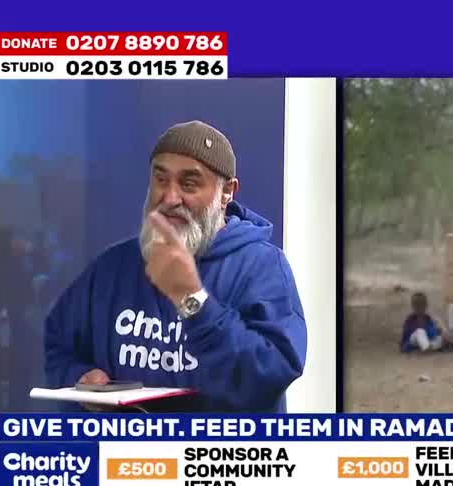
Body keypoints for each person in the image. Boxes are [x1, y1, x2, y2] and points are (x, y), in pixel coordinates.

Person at [44, 120, 307, 412]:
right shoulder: (112, 267)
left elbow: (270, 376)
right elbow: (57, 344)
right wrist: (77, 378)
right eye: (160, 180)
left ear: (226, 193)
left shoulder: (263, 268)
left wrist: (192, 299)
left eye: (189, 183)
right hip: (127, 456)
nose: (169, 198)